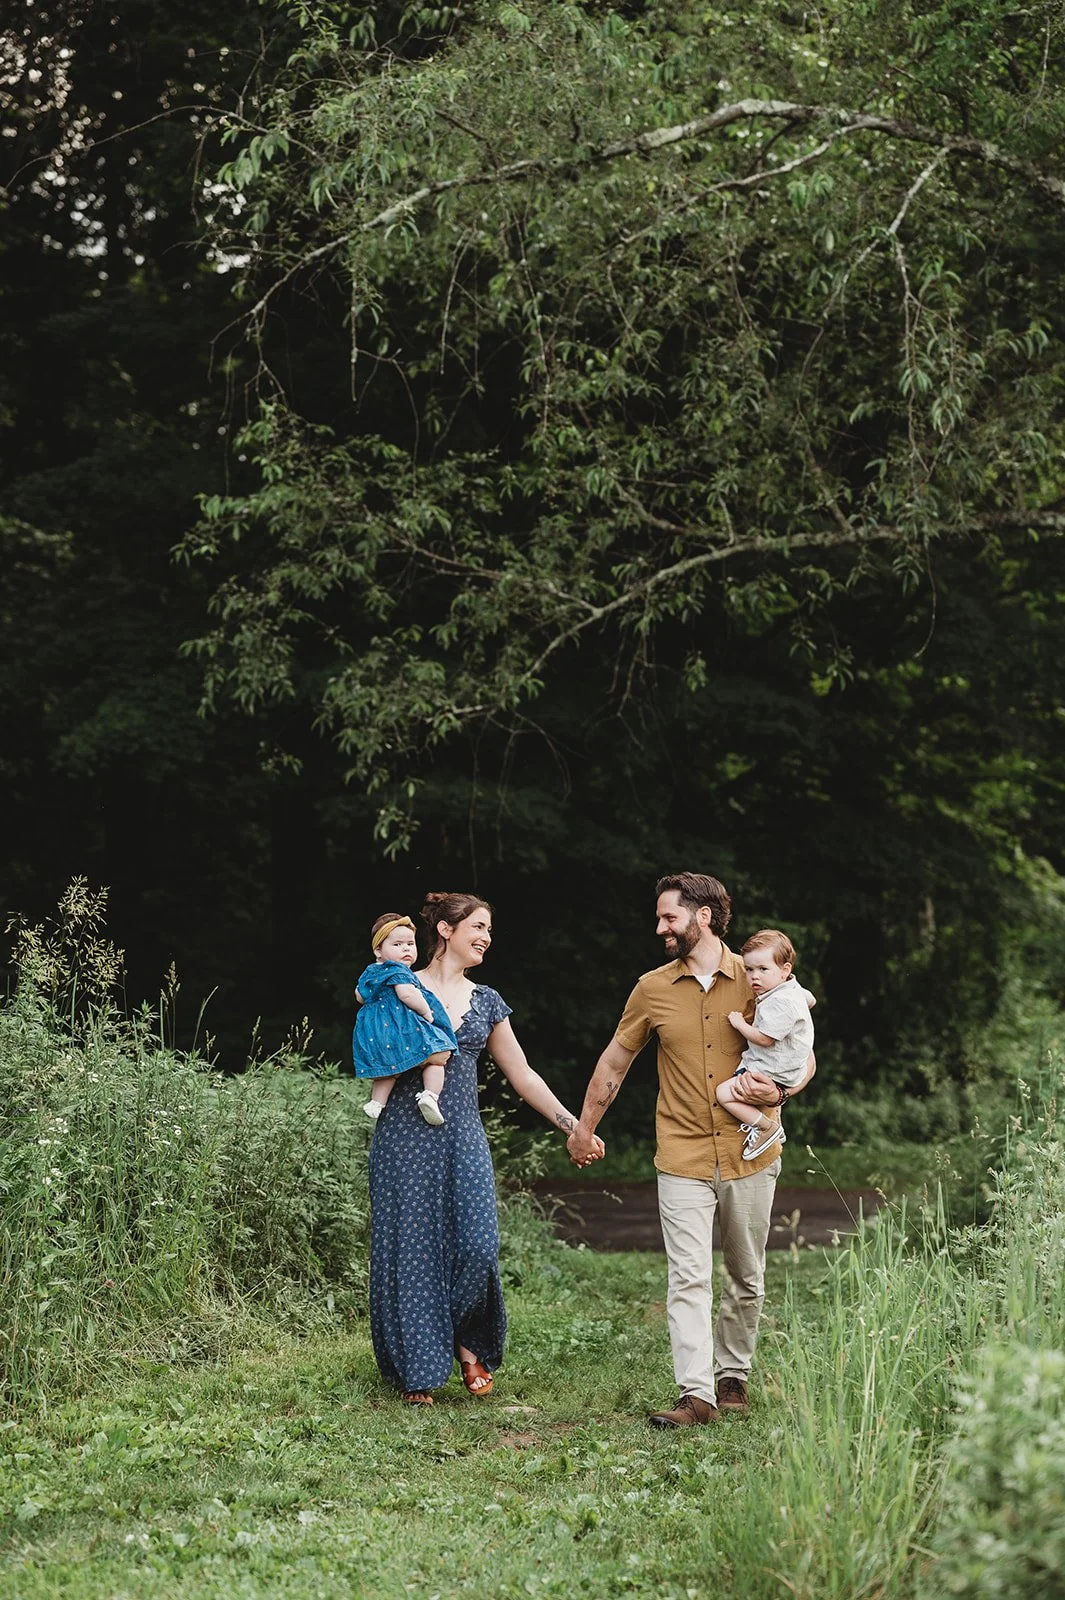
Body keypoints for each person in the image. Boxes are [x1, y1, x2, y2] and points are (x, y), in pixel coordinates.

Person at [566, 872, 815, 1428]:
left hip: (750, 1150)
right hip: (680, 1151)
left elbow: (805, 1051)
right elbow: (614, 1061)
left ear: (703, 916)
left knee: (746, 1274)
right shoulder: (651, 988)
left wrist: (785, 1089)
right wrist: (584, 1128)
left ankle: (734, 1375)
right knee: (687, 1276)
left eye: (669, 917)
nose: (660, 928)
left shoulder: (757, 976)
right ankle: (696, 1395)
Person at [368, 890, 603, 1406]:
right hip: (405, 1134)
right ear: (446, 931)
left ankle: (466, 1337)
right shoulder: (395, 985)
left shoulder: (487, 1001)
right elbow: (370, 1043)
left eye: (489, 930)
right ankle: (421, 1372)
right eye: (478, 927)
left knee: (477, 1245)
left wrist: (573, 1126)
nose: (486, 938)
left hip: (463, 1136)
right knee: (412, 1251)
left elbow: (522, 1074)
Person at [718, 928, 816, 1162]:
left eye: (763, 969)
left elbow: (764, 1038)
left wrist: (739, 1023)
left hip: (776, 1069)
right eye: (749, 969)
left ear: (785, 970)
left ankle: (766, 1127)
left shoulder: (778, 1002)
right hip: (793, 1064)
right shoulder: (792, 988)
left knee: (723, 1094)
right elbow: (811, 1000)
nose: (754, 977)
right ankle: (776, 1116)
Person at [353, 912, 457, 1126]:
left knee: (388, 1070)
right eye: (398, 944)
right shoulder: (399, 970)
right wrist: (427, 1013)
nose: (406, 948)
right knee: (439, 1055)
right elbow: (407, 995)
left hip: (377, 1033)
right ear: (378, 951)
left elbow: (360, 996)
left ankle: (376, 1102)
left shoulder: (371, 972)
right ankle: (430, 1095)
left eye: (410, 943)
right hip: (404, 1029)